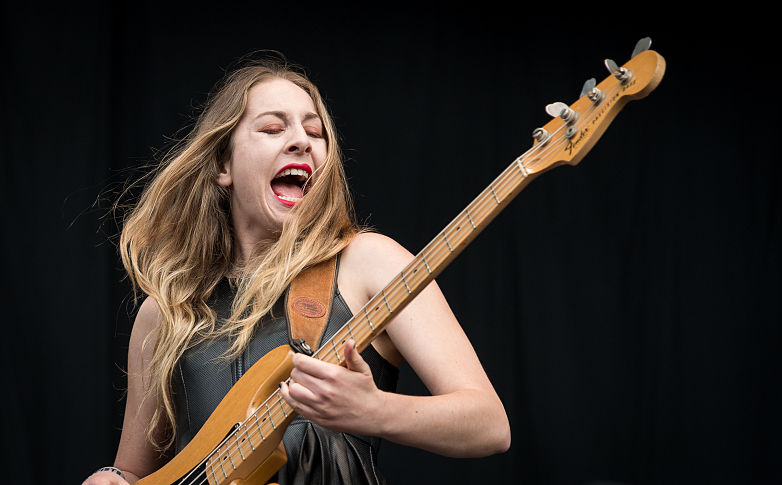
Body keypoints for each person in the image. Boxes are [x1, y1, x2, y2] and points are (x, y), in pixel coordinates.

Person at [83, 54, 510, 484]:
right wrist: (109, 476)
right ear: (222, 165)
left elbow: (489, 425)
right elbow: (136, 471)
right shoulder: (164, 314)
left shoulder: (368, 261)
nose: (301, 141)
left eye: (314, 132)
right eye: (272, 128)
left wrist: (375, 410)